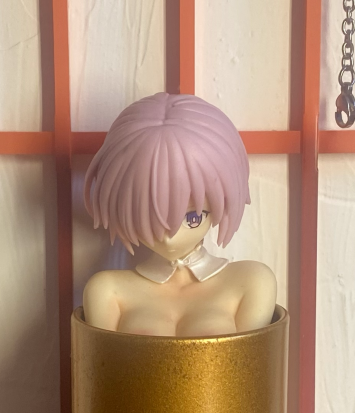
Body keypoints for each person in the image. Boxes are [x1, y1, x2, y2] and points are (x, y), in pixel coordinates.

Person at [82, 92, 276, 336]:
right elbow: (99, 360)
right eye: (150, 217)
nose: (169, 236)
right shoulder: (106, 291)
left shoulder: (252, 281)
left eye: (193, 218)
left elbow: (249, 359)